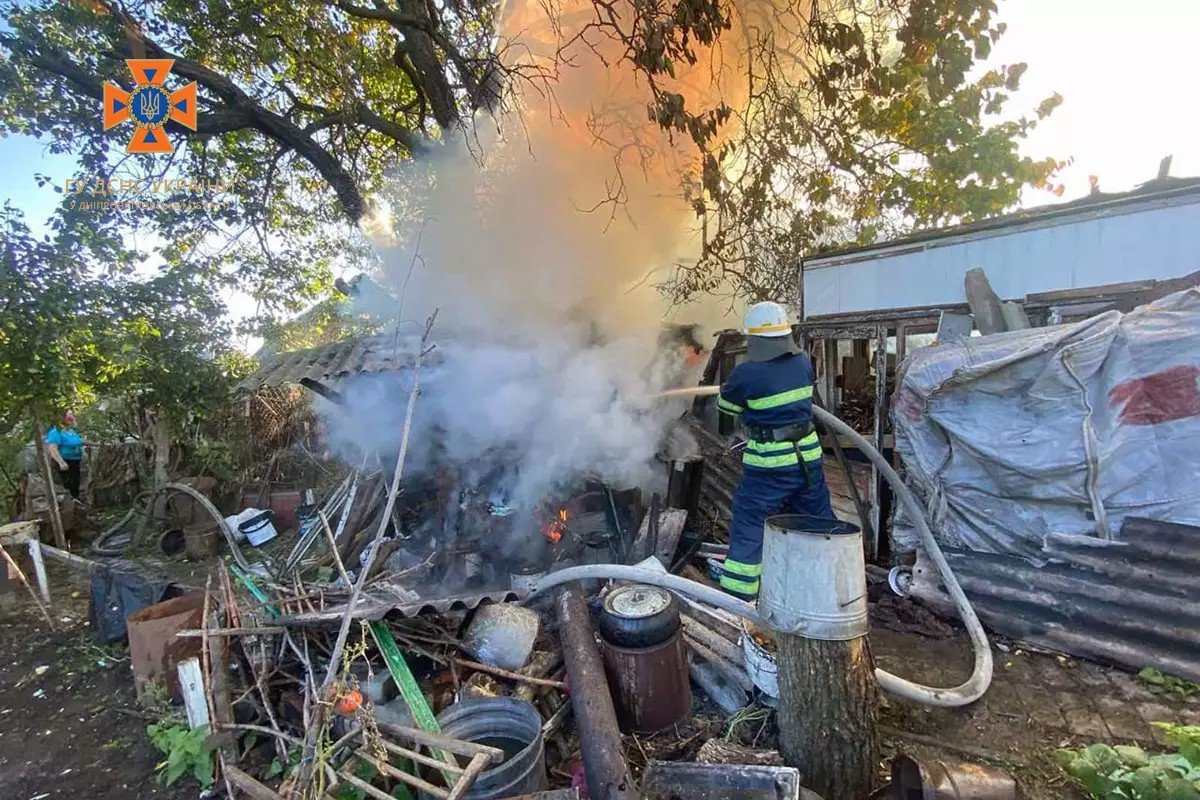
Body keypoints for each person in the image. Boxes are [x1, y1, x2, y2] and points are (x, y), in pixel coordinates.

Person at [717, 302, 834, 602]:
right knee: (818, 521)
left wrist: (728, 394)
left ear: (754, 339)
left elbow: (725, 417)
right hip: (808, 458)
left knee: (750, 521)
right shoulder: (803, 362)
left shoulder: (745, 374)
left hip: (770, 466)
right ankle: (830, 585)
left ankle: (737, 597)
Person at [45, 412, 84, 500]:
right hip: (64, 461)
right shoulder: (56, 432)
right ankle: (66, 502)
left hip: (75, 461)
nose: (71, 422)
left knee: (75, 483)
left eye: (72, 420)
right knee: (66, 484)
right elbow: (53, 449)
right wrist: (61, 462)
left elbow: (80, 442)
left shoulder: (73, 432)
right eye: (68, 421)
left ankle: (75, 501)